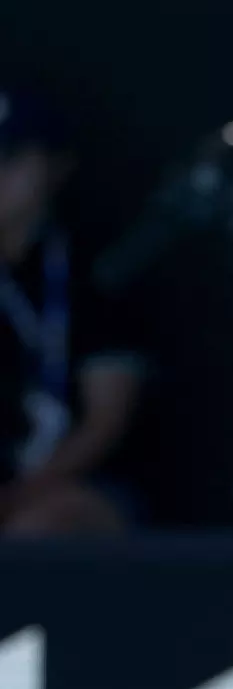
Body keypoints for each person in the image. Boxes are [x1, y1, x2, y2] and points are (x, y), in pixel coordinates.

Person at [0, 85, 148, 535]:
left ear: (57, 166)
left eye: (9, 157)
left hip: (73, 487)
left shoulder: (98, 271)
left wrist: (16, 496)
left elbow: (106, 420)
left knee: (38, 530)